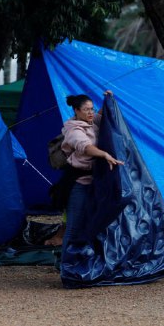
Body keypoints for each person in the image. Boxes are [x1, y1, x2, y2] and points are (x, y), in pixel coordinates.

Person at [57, 91, 124, 259]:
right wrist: (103, 154)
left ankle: (83, 263)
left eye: (91, 109)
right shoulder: (73, 130)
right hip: (78, 184)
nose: (90, 112)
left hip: (95, 183)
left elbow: (102, 116)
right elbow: (85, 146)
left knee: (92, 223)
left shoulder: (91, 123)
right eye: (86, 110)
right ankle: (67, 265)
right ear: (76, 111)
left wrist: (107, 99)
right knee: (74, 227)